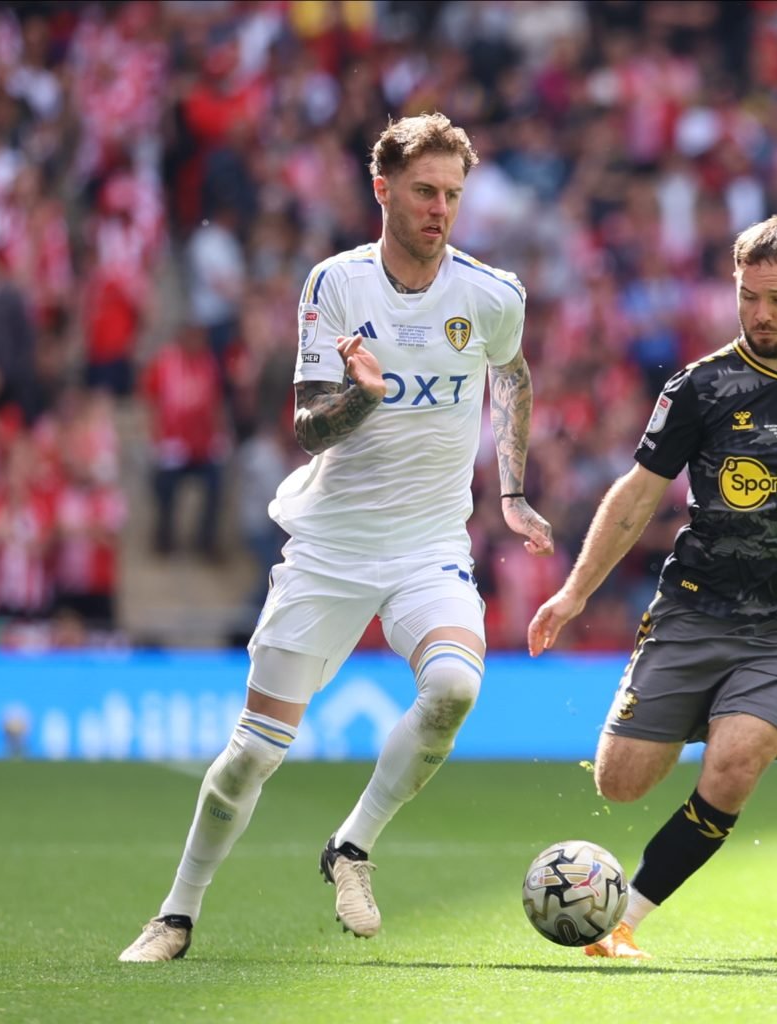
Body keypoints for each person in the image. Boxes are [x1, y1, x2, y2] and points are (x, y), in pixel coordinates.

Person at [120, 113, 553, 962]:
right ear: (383, 190)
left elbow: (514, 374)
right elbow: (309, 428)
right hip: (330, 548)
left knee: (457, 687)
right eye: (425, 192)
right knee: (249, 758)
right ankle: (175, 914)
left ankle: (352, 845)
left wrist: (511, 489)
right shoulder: (336, 285)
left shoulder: (491, 294)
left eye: (453, 195)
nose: (440, 209)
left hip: (429, 546)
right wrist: (363, 396)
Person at [527, 211, 777, 959]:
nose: (761, 313)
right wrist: (574, 594)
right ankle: (703, 703)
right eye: (748, 297)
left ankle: (624, 921)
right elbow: (638, 494)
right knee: (620, 783)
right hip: (695, 610)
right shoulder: (700, 387)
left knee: (736, 765)